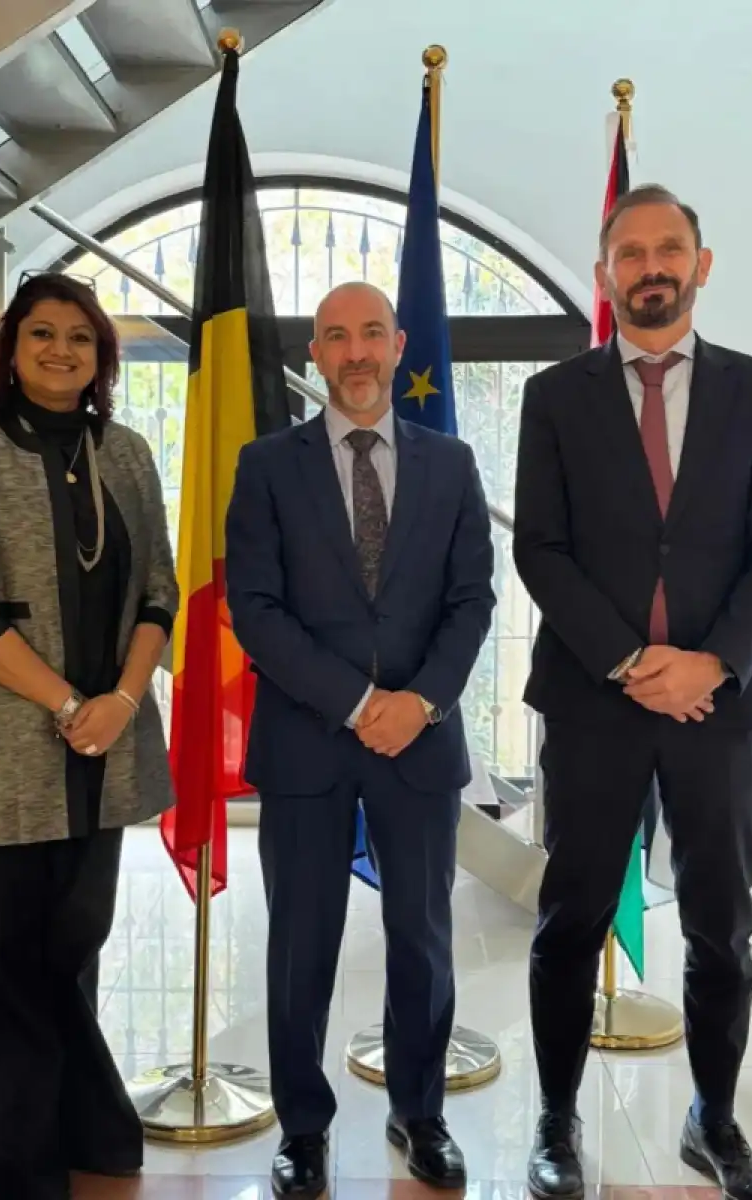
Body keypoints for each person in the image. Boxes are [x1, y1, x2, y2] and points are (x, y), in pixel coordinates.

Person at [514, 184, 752, 1200]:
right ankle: (556, 1122)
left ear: (700, 263)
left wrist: (712, 663)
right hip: (594, 703)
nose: (651, 267)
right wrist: (632, 664)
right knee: (571, 918)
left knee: (722, 927)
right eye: (630, 252)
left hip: (720, 709)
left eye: (668, 249)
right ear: (606, 275)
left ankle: (713, 1122)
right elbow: (541, 549)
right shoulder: (555, 396)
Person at [0, 272, 179, 1200]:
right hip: (3, 751)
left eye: (80, 337)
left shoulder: (128, 453)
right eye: (41, 334)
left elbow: (160, 591)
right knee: (0, 962)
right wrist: (71, 705)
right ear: (11, 351)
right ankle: (17, 1163)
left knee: (71, 944)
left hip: (107, 743)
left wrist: (123, 701)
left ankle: (84, 1123)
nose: (61, 350)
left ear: (101, 356)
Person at [225, 281, 495, 1196]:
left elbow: (473, 600)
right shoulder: (267, 465)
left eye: (371, 333)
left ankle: (420, 1114)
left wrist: (419, 703)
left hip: (420, 742)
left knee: (421, 937)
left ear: (398, 345)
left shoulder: (452, 463)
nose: (355, 353)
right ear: (315, 353)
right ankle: (303, 1129)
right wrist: (356, 701)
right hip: (307, 743)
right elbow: (255, 609)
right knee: (302, 943)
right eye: (336, 336)